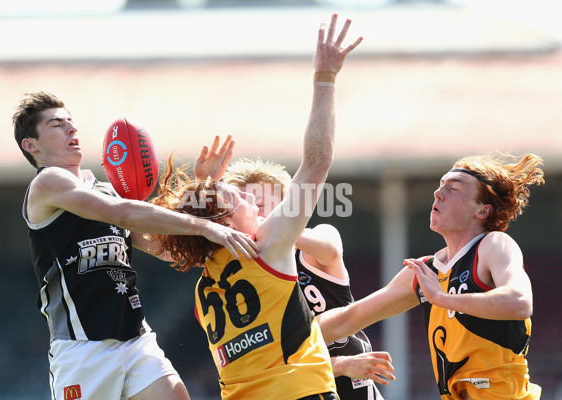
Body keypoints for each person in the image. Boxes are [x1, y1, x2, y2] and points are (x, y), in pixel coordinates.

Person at [148, 13, 363, 400]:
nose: (251, 201)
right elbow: (316, 162)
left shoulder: (204, 285)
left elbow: (179, 231)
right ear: (224, 222)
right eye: (241, 198)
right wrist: (325, 78)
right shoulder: (267, 249)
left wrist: (208, 188)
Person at [13, 92, 259, 400]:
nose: (72, 129)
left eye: (71, 123)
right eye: (57, 124)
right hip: (83, 348)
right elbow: (122, 213)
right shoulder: (47, 183)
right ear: (31, 145)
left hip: (135, 340)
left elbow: (166, 248)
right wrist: (204, 226)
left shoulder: (105, 192)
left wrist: (202, 189)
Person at [317, 152, 544, 400]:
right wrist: (286, 336)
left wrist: (440, 297)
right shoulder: (426, 270)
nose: (438, 194)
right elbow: (350, 318)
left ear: (482, 210)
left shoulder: (493, 244)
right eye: (440, 185)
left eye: (453, 189)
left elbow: (520, 302)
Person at [219, 157, 394, 399]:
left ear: (286, 206)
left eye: (260, 205)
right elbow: (273, 363)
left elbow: (331, 250)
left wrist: (282, 228)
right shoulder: (239, 277)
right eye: (244, 206)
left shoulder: (313, 244)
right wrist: (340, 365)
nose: (255, 214)